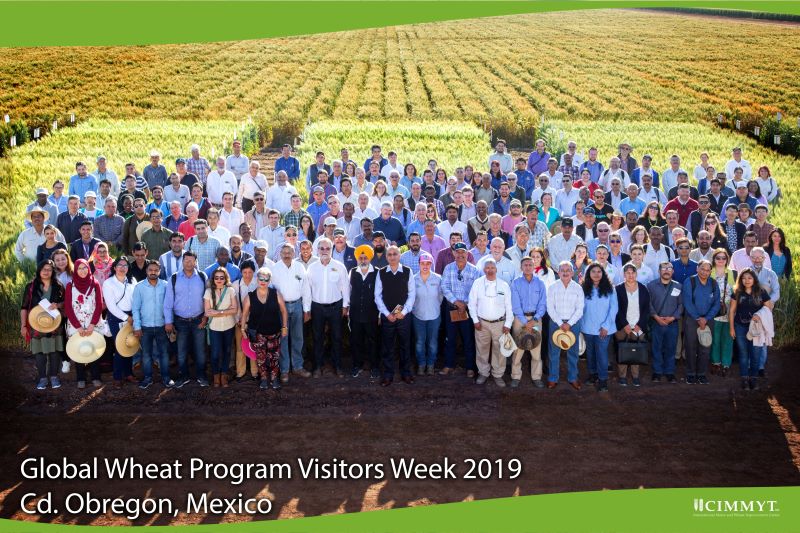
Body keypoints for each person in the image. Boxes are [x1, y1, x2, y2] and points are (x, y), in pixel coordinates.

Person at [303, 237, 349, 377]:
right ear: (317, 250)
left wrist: (345, 306)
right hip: (317, 307)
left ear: (332, 249)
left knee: (336, 337)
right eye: (321, 248)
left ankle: (338, 366)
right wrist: (307, 309)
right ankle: (317, 366)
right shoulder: (312, 268)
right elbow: (307, 290)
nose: (324, 251)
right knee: (318, 338)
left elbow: (345, 287)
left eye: (327, 248)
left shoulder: (339, 266)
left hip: (336, 306)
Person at [163, 251, 209, 388]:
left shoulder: (202, 276)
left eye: (191, 261)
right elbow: (168, 302)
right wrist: (168, 321)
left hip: (199, 320)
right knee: (181, 351)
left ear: (196, 262)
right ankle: (183, 376)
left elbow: (208, 299)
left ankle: (201, 375)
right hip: (180, 321)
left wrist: (206, 317)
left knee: (200, 351)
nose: (189, 263)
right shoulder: (174, 278)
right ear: (182, 262)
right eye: (186, 261)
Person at [375, 245, 416, 386]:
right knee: (388, 346)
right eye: (389, 254)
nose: (392, 257)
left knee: (405, 345)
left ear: (399, 256)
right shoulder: (381, 273)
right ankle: (388, 374)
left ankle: (406, 373)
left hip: (403, 317)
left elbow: (412, 294)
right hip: (388, 317)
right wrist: (387, 314)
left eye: (395, 254)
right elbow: (377, 296)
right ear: (386, 257)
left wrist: (404, 312)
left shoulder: (407, 271)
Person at [241, 267, 288, 390]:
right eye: (261, 278)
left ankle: (274, 378)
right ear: (257, 279)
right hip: (258, 333)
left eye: (266, 279)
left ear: (269, 280)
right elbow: (244, 314)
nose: (263, 281)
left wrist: (284, 326)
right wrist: (242, 329)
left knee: (274, 357)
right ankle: (263, 379)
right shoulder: (250, 296)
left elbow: (283, 311)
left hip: (274, 332)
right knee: (261, 358)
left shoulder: (275, 293)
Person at [21, 260, 65, 390]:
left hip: (54, 324)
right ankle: (42, 378)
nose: (46, 272)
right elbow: (24, 307)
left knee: (54, 351)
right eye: (44, 269)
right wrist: (23, 326)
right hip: (36, 324)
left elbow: (65, 303)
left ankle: (54, 377)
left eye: (49, 269)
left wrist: (57, 305)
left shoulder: (58, 285)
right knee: (39, 352)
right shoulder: (31, 286)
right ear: (39, 270)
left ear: (53, 272)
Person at [468, 258, 513, 387]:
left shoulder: (504, 285)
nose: (490, 270)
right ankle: (483, 373)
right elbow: (471, 304)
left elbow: (509, 306)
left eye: (492, 268)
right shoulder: (477, 283)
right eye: (487, 268)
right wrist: (475, 320)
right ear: (484, 270)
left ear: (496, 270)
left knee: (499, 351)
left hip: (500, 323)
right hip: (482, 323)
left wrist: (508, 324)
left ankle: (498, 374)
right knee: (481, 349)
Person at [65, 259, 106, 389]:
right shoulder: (70, 285)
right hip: (76, 324)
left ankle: (95, 377)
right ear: (75, 270)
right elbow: (68, 307)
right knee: (78, 349)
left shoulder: (95, 284)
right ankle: (81, 378)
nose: (82, 271)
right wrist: (77, 326)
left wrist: (92, 324)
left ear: (89, 269)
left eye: (85, 268)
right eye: (79, 268)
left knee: (94, 349)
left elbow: (99, 305)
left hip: (92, 322)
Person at [440, 242, 480, 376]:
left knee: (468, 339)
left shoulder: (474, 270)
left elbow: (476, 290)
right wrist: (456, 301)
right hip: (451, 308)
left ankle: (470, 367)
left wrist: (465, 304)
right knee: (449, 338)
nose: (460, 254)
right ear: (454, 254)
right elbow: (444, 287)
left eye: (463, 252)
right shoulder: (448, 268)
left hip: (468, 310)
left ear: (467, 253)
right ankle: (448, 364)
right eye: (457, 252)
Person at [509, 256, 547, 388]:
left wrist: (535, 319)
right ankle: (515, 376)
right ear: (521, 267)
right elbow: (515, 305)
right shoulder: (516, 283)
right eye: (525, 265)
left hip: (536, 319)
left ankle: (536, 377)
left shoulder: (540, 283)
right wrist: (526, 321)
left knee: (536, 348)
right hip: (520, 319)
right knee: (518, 348)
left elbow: (543, 304)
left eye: (530, 265)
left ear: (534, 266)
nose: (528, 267)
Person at [131, 260, 170, 388]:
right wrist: (137, 326)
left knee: (163, 353)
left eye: (156, 270)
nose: (153, 272)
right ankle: (148, 378)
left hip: (162, 326)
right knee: (146, 355)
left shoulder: (165, 285)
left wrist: (169, 322)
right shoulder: (139, 287)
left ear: (159, 271)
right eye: (150, 270)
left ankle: (166, 378)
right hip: (145, 327)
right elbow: (135, 308)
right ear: (146, 271)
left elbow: (170, 306)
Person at [546, 261, 584, 389]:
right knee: (554, 352)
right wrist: (561, 323)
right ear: (558, 272)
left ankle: (573, 377)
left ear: (572, 272)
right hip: (556, 323)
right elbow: (550, 308)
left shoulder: (578, 288)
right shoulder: (552, 287)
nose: (566, 272)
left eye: (568, 270)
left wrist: (569, 323)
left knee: (573, 352)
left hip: (573, 324)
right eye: (563, 270)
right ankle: (553, 378)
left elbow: (580, 309)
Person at [581, 263, 618, 392]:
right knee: (590, 353)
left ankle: (603, 380)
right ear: (588, 274)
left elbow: (614, 309)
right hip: (588, 328)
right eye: (593, 272)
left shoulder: (610, 289)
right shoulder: (583, 289)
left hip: (604, 329)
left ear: (603, 274)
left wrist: (606, 326)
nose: (596, 274)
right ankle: (593, 375)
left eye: (599, 271)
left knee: (602, 354)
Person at [682, 260, 720, 385]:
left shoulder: (713, 283)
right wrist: (698, 318)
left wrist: (706, 318)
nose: (704, 272)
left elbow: (716, 303)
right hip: (692, 320)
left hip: (708, 320)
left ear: (710, 271)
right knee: (690, 347)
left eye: (707, 270)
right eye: (702, 269)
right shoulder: (690, 281)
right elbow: (687, 302)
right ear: (697, 269)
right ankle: (691, 374)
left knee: (705, 347)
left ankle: (702, 374)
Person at [614, 263, 651, 387]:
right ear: (624, 274)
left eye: (633, 273)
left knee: (636, 350)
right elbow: (616, 309)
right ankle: (622, 376)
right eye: (628, 273)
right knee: (623, 350)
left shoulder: (643, 288)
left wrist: (639, 325)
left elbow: (646, 309)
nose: (630, 275)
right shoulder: (618, 289)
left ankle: (635, 376)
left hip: (638, 326)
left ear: (636, 274)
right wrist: (625, 324)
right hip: (622, 326)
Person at [103, 256, 137, 387]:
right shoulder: (108, 283)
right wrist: (126, 318)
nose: (122, 268)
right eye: (120, 265)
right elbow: (111, 306)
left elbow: (136, 300)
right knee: (119, 347)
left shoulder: (132, 281)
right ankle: (117, 377)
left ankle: (128, 374)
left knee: (130, 344)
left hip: (132, 316)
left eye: (125, 265)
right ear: (114, 267)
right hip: (116, 317)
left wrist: (134, 316)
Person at [647, 262, 684, 383]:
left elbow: (681, 305)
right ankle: (657, 372)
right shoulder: (651, 286)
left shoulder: (678, 286)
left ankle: (669, 372)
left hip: (672, 323)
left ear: (673, 271)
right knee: (656, 348)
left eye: (669, 268)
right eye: (663, 268)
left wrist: (673, 318)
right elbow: (648, 303)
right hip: (656, 322)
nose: (666, 270)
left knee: (671, 348)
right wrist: (656, 317)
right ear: (659, 271)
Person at [348, 245, 381, 378]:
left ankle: (375, 367)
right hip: (355, 314)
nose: (363, 260)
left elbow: (379, 294)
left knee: (373, 341)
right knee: (356, 341)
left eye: (365, 257)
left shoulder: (378, 272)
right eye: (360, 258)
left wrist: (379, 314)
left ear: (370, 258)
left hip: (371, 314)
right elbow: (348, 291)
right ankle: (357, 365)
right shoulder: (353, 271)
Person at [204, 267, 238, 388]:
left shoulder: (230, 290)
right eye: (216, 277)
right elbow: (207, 312)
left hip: (229, 326)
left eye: (221, 277)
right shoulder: (208, 292)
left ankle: (224, 375)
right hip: (214, 328)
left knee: (227, 351)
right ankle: (215, 375)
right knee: (215, 353)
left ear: (225, 278)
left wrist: (218, 312)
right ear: (213, 279)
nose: (219, 280)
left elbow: (235, 309)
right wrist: (226, 311)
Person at [708, 249, 735, 377]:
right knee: (715, 338)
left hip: (729, 311)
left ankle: (726, 364)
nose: (720, 260)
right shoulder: (709, 272)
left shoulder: (732, 273)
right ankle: (715, 363)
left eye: (723, 258)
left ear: (727, 259)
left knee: (727, 338)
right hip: (713, 310)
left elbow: (736, 292)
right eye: (718, 258)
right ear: (714, 259)